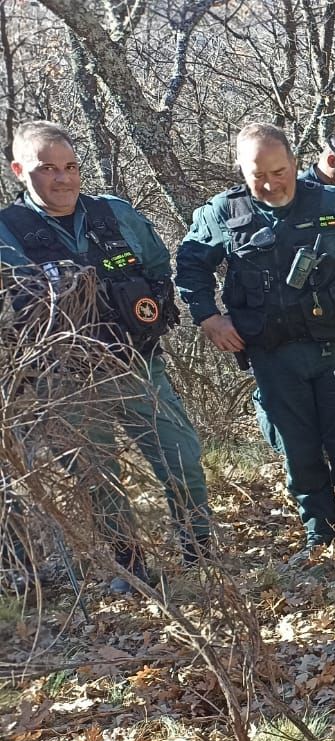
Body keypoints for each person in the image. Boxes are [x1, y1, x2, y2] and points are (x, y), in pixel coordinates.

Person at [0, 120, 212, 590]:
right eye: (47, 168)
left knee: (181, 458)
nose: (63, 178)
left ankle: (201, 553)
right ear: (19, 171)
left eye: (71, 166)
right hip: (65, 378)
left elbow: (157, 265)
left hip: (137, 363)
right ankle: (130, 565)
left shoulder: (113, 213)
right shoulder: (7, 230)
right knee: (98, 478)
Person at [176, 122, 335, 557]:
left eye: (278, 172)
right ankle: (320, 536)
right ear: (242, 171)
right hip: (274, 356)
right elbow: (190, 266)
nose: (269, 183)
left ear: (295, 163)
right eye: (257, 174)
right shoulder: (224, 213)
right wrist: (209, 318)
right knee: (299, 453)